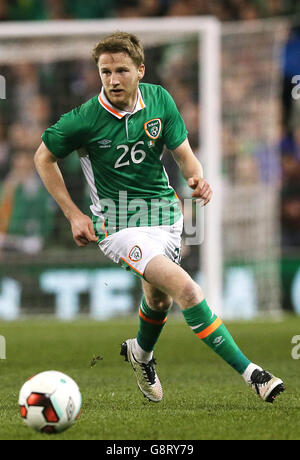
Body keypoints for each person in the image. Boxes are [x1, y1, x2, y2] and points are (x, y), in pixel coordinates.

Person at [34, 31, 284, 404]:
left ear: (140, 70)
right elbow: (43, 157)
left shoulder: (160, 100)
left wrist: (196, 178)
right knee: (186, 290)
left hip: (166, 217)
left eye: (121, 70)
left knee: (159, 300)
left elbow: (185, 156)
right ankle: (254, 375)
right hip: (118, 224)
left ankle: (141, 354)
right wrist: (73, 215)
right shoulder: (83, 119)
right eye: (105, 72)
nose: (112, 80)